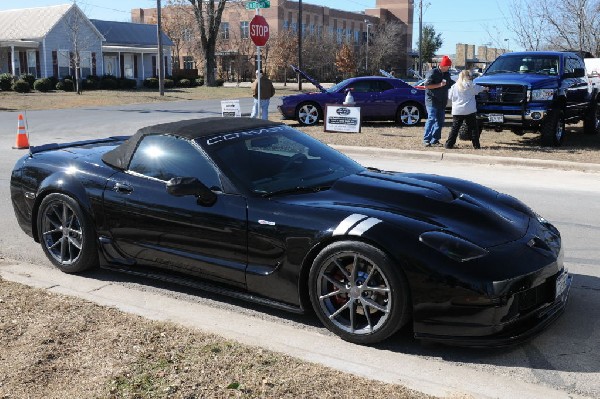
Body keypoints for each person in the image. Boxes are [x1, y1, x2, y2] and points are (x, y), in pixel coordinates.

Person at [444, 69, 488, 149]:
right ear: (468, 76)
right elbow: (480, 88)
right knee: (473, 128)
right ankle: (476, 145)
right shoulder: (471, 85)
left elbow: (450, 97)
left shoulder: (454, 86)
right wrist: (486, 88)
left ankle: (449, 144)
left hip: (457, 111)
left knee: (455, 128)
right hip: (469, 110)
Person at [422, 55, 454, 147]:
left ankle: (435, 140)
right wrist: (439, 85)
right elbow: (427, 86)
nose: (449, 68)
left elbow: (450, 83)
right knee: (431, 119)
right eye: (448, 66)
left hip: (442, 101)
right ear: (443, 65)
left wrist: (461, 84)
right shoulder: (433, 72)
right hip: (432, 100)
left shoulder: (447, 74)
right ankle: (426, 140)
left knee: (440, 121)